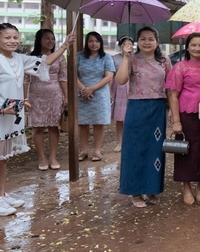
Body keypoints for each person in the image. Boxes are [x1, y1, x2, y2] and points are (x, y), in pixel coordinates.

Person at [0, 23, 74, 215]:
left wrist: (64, 45)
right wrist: (3, 108)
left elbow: (45, 63)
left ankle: (2, 195)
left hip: (12, 116)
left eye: (15, 37)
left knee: (3, 159)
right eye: (7, 37)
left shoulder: (19, 59)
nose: (12, 41)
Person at [116, 26, 172, 208]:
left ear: (157, 42)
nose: (147, 42)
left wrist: (171, 110)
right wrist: (125, 56)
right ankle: (135, 191)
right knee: (134, 149)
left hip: (157, 108)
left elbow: (170, 87)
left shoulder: (164, 61)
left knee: (155, 150)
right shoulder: (131, 59)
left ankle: (152, 188)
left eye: (151, 39)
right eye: (143, 39)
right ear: (137, 42)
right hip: (136, 108)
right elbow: (121, 80)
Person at [166, 33, 200, 205]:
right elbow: (173, 95)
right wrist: (177, 121)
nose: (197, 48)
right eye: (193, 45)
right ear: (187, 47)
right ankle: (186, 187)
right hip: (187, 113)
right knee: (186, 151)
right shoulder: (180, 67)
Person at [26, 28, 68, 171]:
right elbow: (25, 80)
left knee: (53, 126)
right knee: (37, 127)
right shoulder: (30, 57)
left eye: (52, 38)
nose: (50, 41)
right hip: (35, 96)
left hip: (55, 94)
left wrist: (66, 96)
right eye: (47, 38)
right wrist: (24, 98)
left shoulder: (60, 57)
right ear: (39, 40)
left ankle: (53, 157)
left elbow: (63, 78)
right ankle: (42, 158)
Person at [75, 31, 115, 161]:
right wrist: (83, 89)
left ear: (101, 43)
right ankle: (84, 151)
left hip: (100, 94)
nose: (94, 44)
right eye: (91, 41)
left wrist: (91, 89)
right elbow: (73, 75)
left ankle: (97, 150)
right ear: (86, 43)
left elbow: (109, 76)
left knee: (99, 123)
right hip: (82, 93)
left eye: (97, 41)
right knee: (83, 123)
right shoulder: (79, 56)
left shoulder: (106, 57)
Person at [110, 36, 133, 152]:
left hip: (132, 89)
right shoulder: (114, 58)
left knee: (131, 117)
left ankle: (130, 141)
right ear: (120, 46)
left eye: (130, 44)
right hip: (119, 88)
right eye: (125, 44)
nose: (128, 46)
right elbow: (111, 76)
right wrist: (110, 92)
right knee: (120, 118)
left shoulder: (135, 58)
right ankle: (120, 142)